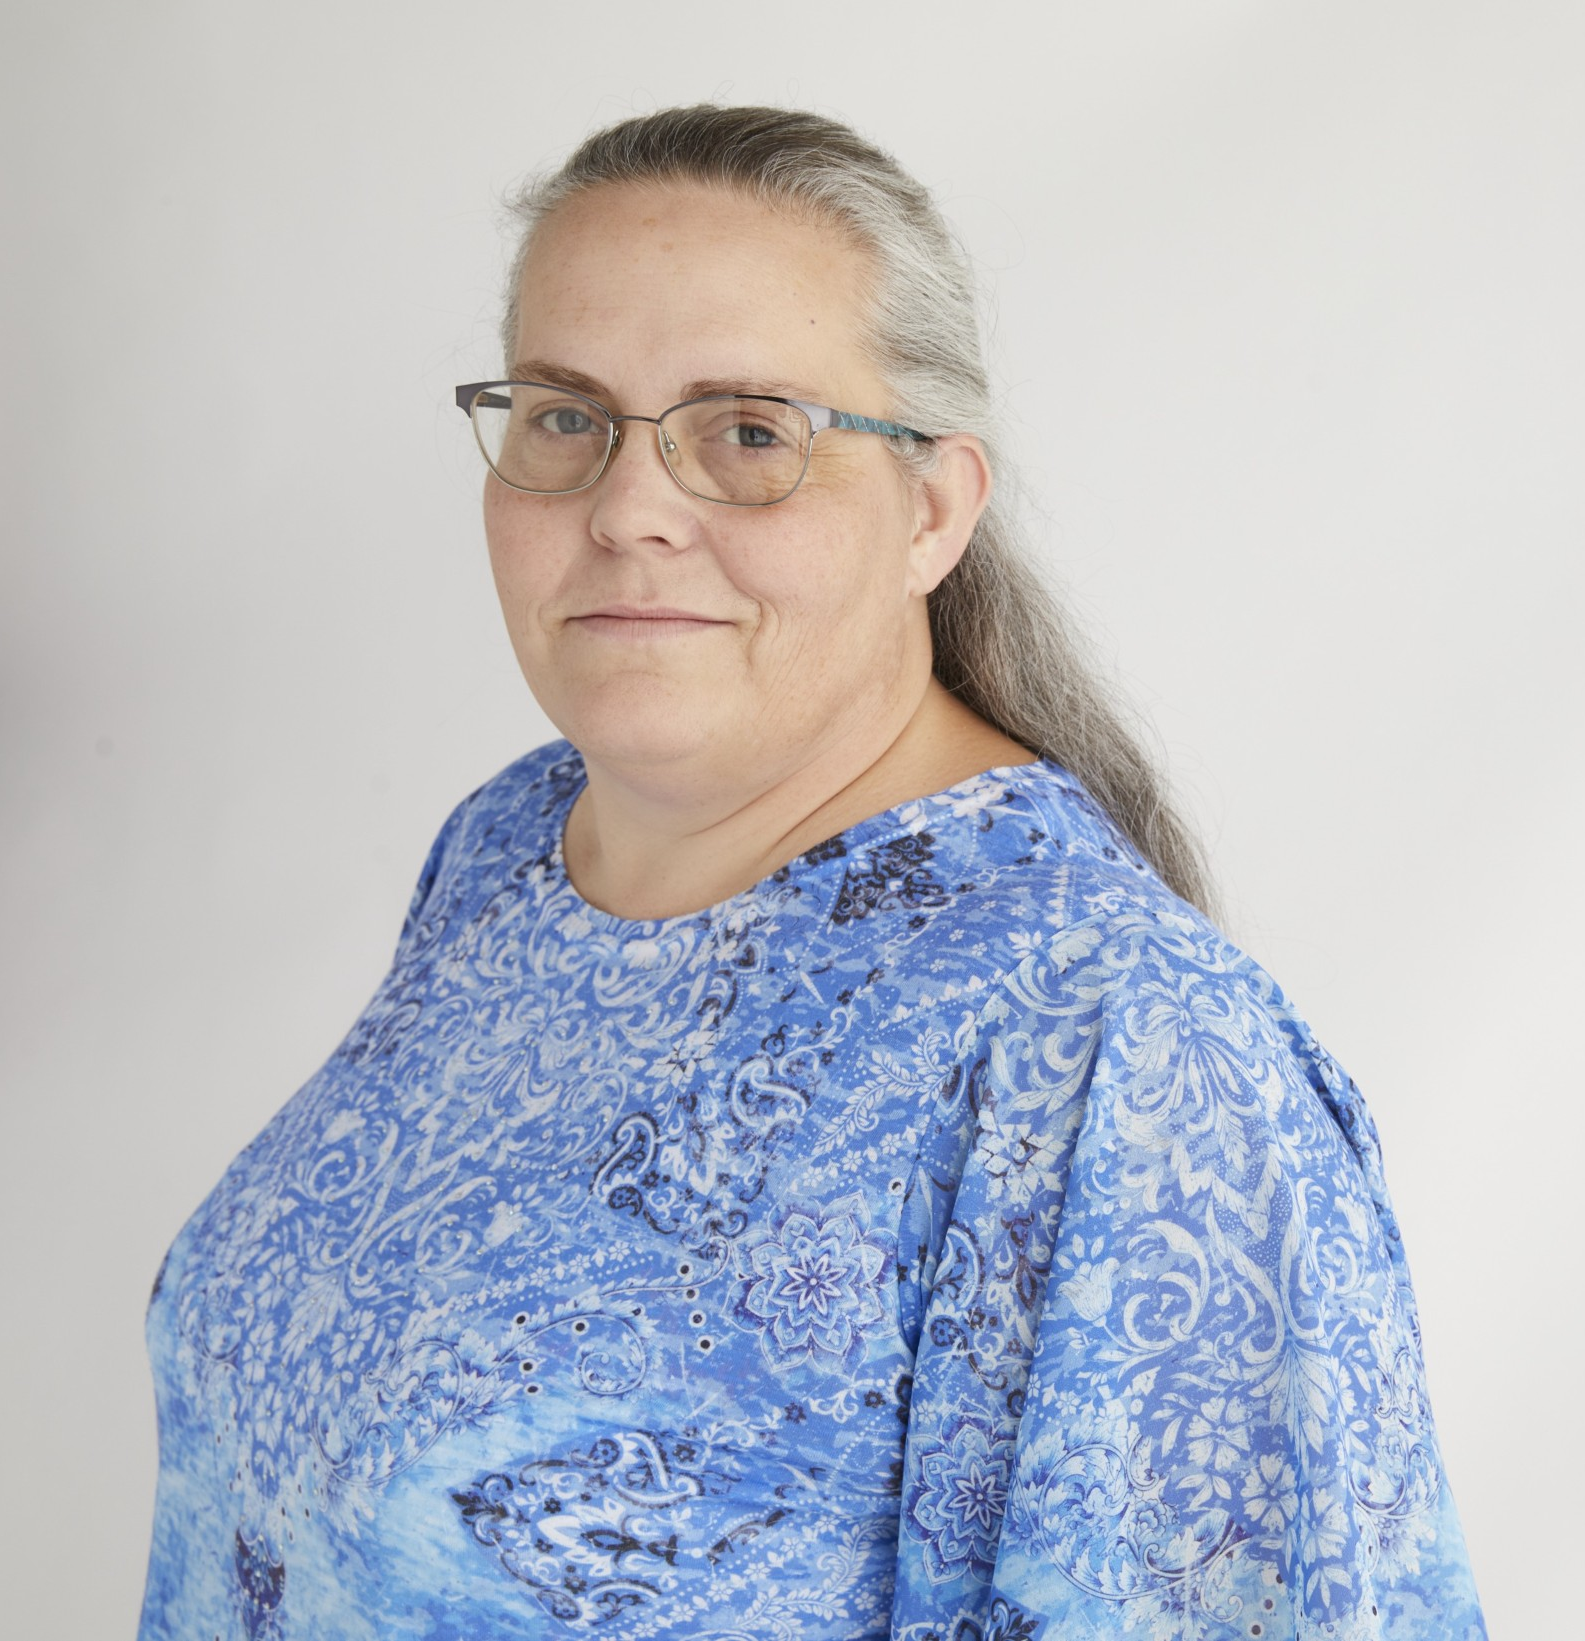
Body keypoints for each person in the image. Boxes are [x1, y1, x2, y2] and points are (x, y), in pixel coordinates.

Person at [136, 105, 1486, 1640]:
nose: (631, 507)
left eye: (753, 434)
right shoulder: (508, 849)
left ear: (932, 509)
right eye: (566, 416)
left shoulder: (1119, 1047)